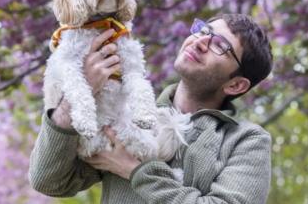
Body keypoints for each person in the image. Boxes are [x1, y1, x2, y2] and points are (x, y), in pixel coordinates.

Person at [29, 14, 273, 204]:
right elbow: (49, 181)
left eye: (220, 46)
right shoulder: (125, 113)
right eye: (204, 31)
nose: (200, 42)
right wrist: (79, 90)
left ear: (236, 84)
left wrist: (135, 170)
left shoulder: (247, 140)